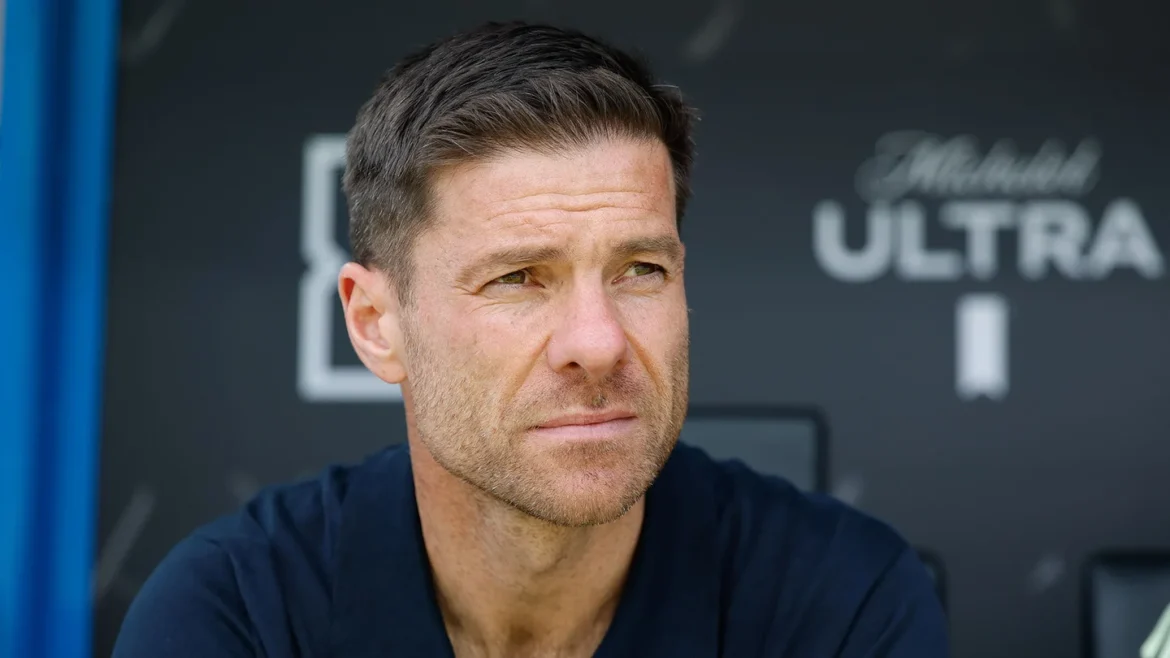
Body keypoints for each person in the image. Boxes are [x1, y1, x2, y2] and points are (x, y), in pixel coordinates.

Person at [113, 21, 948, 658]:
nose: (599, 342)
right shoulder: (236, 614)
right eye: (517, 278)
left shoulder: (840, 603)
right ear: (375, 324)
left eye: (640, 270)